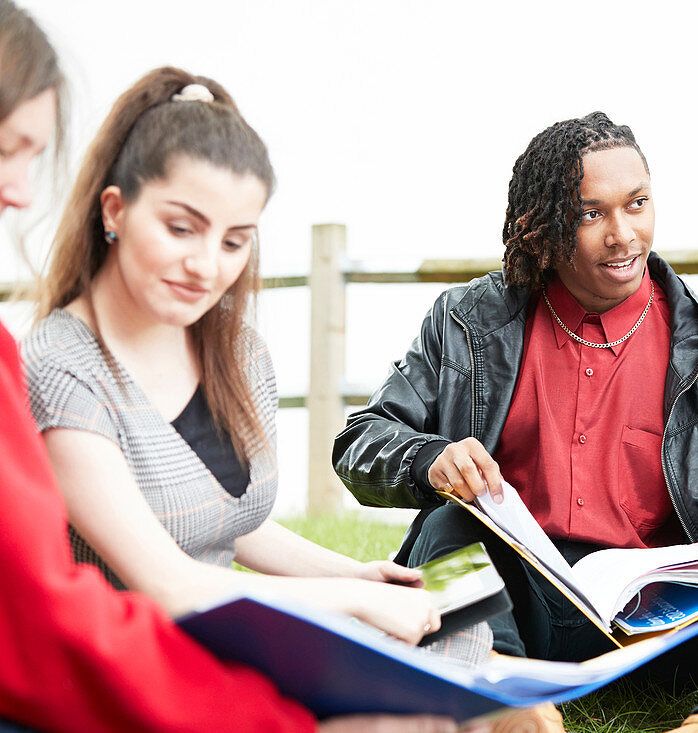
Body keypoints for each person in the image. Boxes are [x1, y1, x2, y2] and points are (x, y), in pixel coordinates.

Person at [0, 3, 462, 731]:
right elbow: (170, 581)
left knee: (453, 644)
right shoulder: (59, 366)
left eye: (234, 241)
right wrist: (357, 602)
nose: (205, 266)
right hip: (140, 663)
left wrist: (356, 574)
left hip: (232, 636)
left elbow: (231, 523)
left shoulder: (236, 348)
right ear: (114, 210)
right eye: (181, 228)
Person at [333, 112, 698, 733]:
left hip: (663, 625)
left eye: (637, 204)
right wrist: (430, 459)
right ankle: (501, 694)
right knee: (450, 528)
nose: (623, 235)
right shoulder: (467, 323)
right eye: (592, 215)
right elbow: (360, 442)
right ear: (541, 227)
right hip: (513, 608)